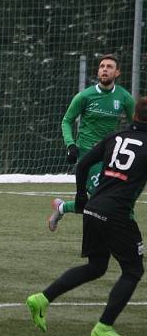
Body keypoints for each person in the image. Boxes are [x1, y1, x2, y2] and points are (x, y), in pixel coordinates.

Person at [27, 97, 147, 336]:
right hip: (117, 214)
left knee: (96, 266)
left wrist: (81, 197)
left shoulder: (115, 137)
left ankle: (42, 298)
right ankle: (103, 327)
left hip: (92, 209)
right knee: (133, 270)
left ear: (135, 115)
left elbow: (82, 166)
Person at [48, 55, 134, 231]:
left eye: (110, 66)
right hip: (88, 156)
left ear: (117, 72)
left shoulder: (124, 97)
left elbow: (136, 125)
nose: (105, 69)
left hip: (111, 155)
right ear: (98, 71)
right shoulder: (85, 96)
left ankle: (63, 207)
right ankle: (128, 241)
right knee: (103, 200)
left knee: (113, 200)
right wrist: (71, 145)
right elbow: (66, 121)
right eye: (102, 66)